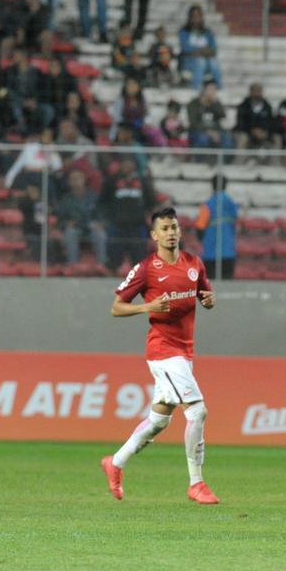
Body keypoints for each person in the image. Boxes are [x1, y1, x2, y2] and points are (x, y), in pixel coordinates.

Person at [101, 206, 219, 504]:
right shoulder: (146, 269)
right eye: (164, 229)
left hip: (185, 350)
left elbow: (205, 295)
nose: (170, 233)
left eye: (174, 227)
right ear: (154, 235)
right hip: (163, 351)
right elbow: (116, 307)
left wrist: (209, 301)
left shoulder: (194, 264)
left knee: (159, 420)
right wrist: (147, 307)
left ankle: (115, 462)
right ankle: (196, 484)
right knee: (197, 410)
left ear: (180, 231)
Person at [193, 173, 238, 280]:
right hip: (228, 252)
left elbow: (200, 227)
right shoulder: (232, 205)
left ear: (212, 186)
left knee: (211, 287)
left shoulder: (208, 205)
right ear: (226, 186)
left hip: (211, 252)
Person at [178, 5, 222, 90]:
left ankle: (219, 88)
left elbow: (213, 49)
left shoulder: (208, 32)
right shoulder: (184, 32)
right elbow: (185, 48)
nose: (196, 19)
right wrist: (202, 50)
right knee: (200, 61)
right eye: (194, 16)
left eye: (198, 16)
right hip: (189, 61)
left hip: (207, 61)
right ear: (190, 17)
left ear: (201, 17)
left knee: (214, 62)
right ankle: (196, 89)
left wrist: (200, 51)